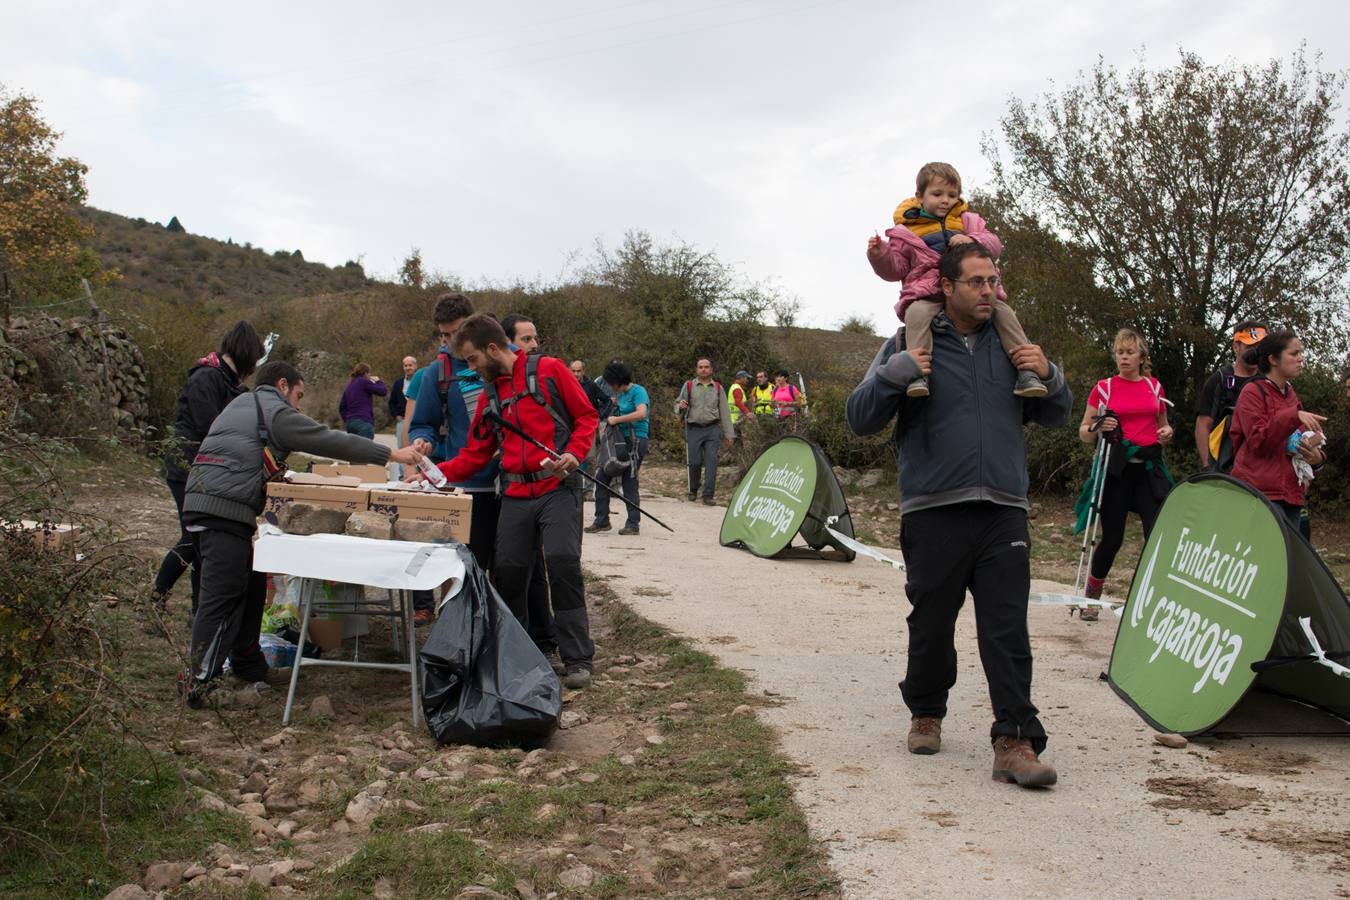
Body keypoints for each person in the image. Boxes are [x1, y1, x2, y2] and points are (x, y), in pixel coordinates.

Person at [846, 242, 1072, 788]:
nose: (989, 291)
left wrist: (1052, 375)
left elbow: (1057, 416)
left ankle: (1015, 740)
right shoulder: (908, 341)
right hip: (932, 509)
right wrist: (891, 375)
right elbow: (859, 419)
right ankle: (926, 711)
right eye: (977, 282)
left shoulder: (1011, 344)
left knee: (1006, 629)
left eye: (993, 281)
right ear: (946, 286)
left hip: (1002, 510)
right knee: (931, 624)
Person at [180, 361, 424, 706]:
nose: (298, 405)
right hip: (222, 508)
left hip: (208, 500)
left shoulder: (242, 404)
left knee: (249, 583)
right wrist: (390, 454)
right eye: (298, 395)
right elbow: (325, 439)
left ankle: (249, 664)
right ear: (283, 385)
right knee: (221, 596)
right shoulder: (274, 411)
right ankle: (198, 685)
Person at [428, 314, 599, 690]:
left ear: (492, 349)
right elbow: (475, 454)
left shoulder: (551, 371)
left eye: (472, 360)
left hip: (559, 488)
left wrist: (574, 453)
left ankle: (578, 658)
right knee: (508, 571)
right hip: (517, 494)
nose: (471, 368)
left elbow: (587, 417)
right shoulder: (490, 395)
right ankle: (516, 656)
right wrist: (431, 473)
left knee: (562, 562)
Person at [866, 161, 1044, 400]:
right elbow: (895, 269)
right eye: (937, 194)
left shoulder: (968, 221)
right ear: (919, 197)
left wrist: (970, 239)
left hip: (967, 291)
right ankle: (918, 372)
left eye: (952, 195)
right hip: (927, 291)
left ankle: (1026, 371)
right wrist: (880, 255)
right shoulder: (906, 232)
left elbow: (994, 245)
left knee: (1004, 313)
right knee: (916, 314)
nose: (945, 200)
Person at [152, 321, 265, 621]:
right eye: (253, 362)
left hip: (208, 471)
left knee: (203, 541)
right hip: (186, 467)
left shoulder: (232, 383)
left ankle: (198, 611)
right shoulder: (206, 378)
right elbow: (210, 429)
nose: (252, 370)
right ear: (245, 355)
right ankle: (155, 599)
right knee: (193, 538)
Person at [408, 292, 499, 625]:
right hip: (462, 486)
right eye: (443, 335)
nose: (448, 342)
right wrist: (423, 440)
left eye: (455, 333)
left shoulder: (498, 359)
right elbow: (423, 423)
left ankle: (494, 629)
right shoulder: (437, 373)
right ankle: (456, 630)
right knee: (457, 565)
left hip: (507, 484)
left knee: (501, 567)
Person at [1073, 329, 1175, 620]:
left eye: (1129, 352)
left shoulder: (1155, 387)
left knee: (1154, 535)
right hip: (1117, 469)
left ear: (1141, 356)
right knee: (1113, 538)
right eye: (1119, 352)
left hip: (1148, 469)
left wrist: (1167, 433)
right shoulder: (1104, 388)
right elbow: (1083, 431)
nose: (1124, 357)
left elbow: (1163, 426)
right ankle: (1091, 597)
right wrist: (1096, 428)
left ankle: (1149, 598)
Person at [1230, 330, 1328, 537]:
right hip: (1261, 493)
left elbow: (1297, 441)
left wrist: (1317, 458)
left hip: (1291, 493)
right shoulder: (1252, 392)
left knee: (1286, 561)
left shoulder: (1291, 395)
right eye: (1294, 354)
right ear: (1273, 359)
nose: (1300, 359)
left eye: (1301, 353)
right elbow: (1259, 441)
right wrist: (1294, 416)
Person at [585, 361, 650, 536]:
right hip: (618, 443)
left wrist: (617, 420)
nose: (610, 387)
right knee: (602, 476)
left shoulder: (638, 391)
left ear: (619, 380)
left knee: (629, 480)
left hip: (636, 440)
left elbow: (641, 413)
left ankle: (633, 523)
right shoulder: (619, 395)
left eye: (611, 383)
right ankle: (602, 520)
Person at [1194, 321, 1268, 471]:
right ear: (1236, 347)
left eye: (1259, 347)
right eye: (1249, 347)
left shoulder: (1268, 382)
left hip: (1259, 467)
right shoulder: (1220, 379)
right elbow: (1203, 424)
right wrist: (1207, 465)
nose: (1255, 352)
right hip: (1224, 465)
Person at [675, 358, 734, 505]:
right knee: (694, 462)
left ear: (711, 369)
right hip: (693, 428)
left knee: (711, 462)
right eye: (700, 367)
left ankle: (708, 495)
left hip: (712, 429)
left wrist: (729, 434)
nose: (703, 369)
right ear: (696, 370)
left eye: (706, 367)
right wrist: (679, 406)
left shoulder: (718, 388)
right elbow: (677, 404)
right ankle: (693, 489)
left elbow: (725, 412)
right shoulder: (688, 386)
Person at [338, 363, 386, 438]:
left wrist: (347, 419)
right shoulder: (364, 381)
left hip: (350, 423)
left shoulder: (349, 386)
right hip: (363, 422)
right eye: (369, 373)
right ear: (366, 373)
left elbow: (342, 407)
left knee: (354, 449)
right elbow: (382, 391)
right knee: (365, 448)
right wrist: (378, 381)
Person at [389, 355, 418, 467]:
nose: (408, 367)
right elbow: (392, 402)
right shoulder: (398, 383)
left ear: (415, 366)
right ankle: (403, 476)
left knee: (418, 446)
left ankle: (419, 473)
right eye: (405, 365)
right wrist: (396, 415)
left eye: (410, 365)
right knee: (402, 448)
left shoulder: (422, 380)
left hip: (418, 419)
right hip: (403, 420)